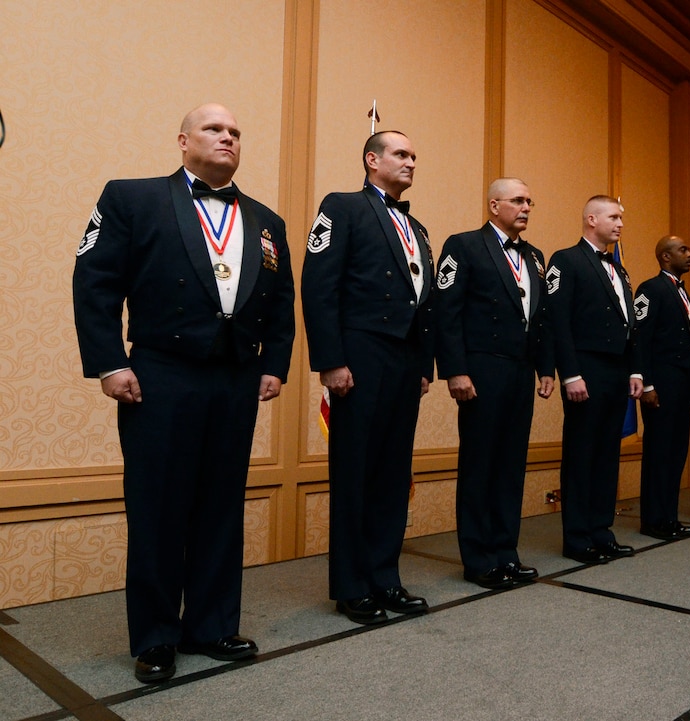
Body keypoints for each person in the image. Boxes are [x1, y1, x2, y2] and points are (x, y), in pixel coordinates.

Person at [72, 103, 296, 683]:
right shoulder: (131, 197)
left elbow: (280, 306)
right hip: (159, 375)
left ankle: (212, 625)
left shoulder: (268, 221)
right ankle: (155, 637)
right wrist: (108, 364)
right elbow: (94, 282)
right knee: (158, 508)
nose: (227, 137)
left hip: (236, 380)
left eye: (236, 132)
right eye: (214, 129)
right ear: (182, 140)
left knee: (221, 506)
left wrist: (275, 365)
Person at [301, 130, 435, 625]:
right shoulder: (342, 206)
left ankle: (386, 578)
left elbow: (425, 302)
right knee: (355, 473)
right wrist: (330, 361)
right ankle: (352, 586)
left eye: (414, 154)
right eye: (401, 153)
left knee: (393, 474)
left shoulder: (416, 225)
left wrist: (425, 364)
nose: (410, 162)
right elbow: (318, 286)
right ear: (371, 159)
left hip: (404, 363)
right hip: (359, 357)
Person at [435, 178, 555, 589]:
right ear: (493, 205)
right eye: (518, 200)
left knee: (510, 466)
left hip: (521, 372)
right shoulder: (464, 245)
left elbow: (540, 320)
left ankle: (506, 552)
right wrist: (455, 370)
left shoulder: (536, 257)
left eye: (529, 200)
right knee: (480, 465)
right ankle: (479, 559)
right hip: (481, 370)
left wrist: (545, 368)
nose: (526, 207)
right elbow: (446, 312)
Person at [546, 195, 641, 565]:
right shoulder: (566, 260)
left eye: (621, 217)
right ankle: (578, 538)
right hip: (585, 370)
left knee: (607, 456)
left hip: (618, 372)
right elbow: (558, 321)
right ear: (591, 219)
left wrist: (635, 370)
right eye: (614, 216)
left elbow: (630, 325)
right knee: (582, 455)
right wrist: (569, 373)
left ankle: (602, 531)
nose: (620, 223)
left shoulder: (620, 269)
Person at [632, 236, 690, 539]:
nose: (689, 254)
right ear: (665, 257)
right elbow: (641, 338)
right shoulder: (651, 289)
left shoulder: (683, 293)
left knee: (676, 452)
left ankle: (668, 517)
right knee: (659, 452)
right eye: (683, 250)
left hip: (682, 385)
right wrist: (647, 384)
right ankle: (654, 520)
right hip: (661, 384)